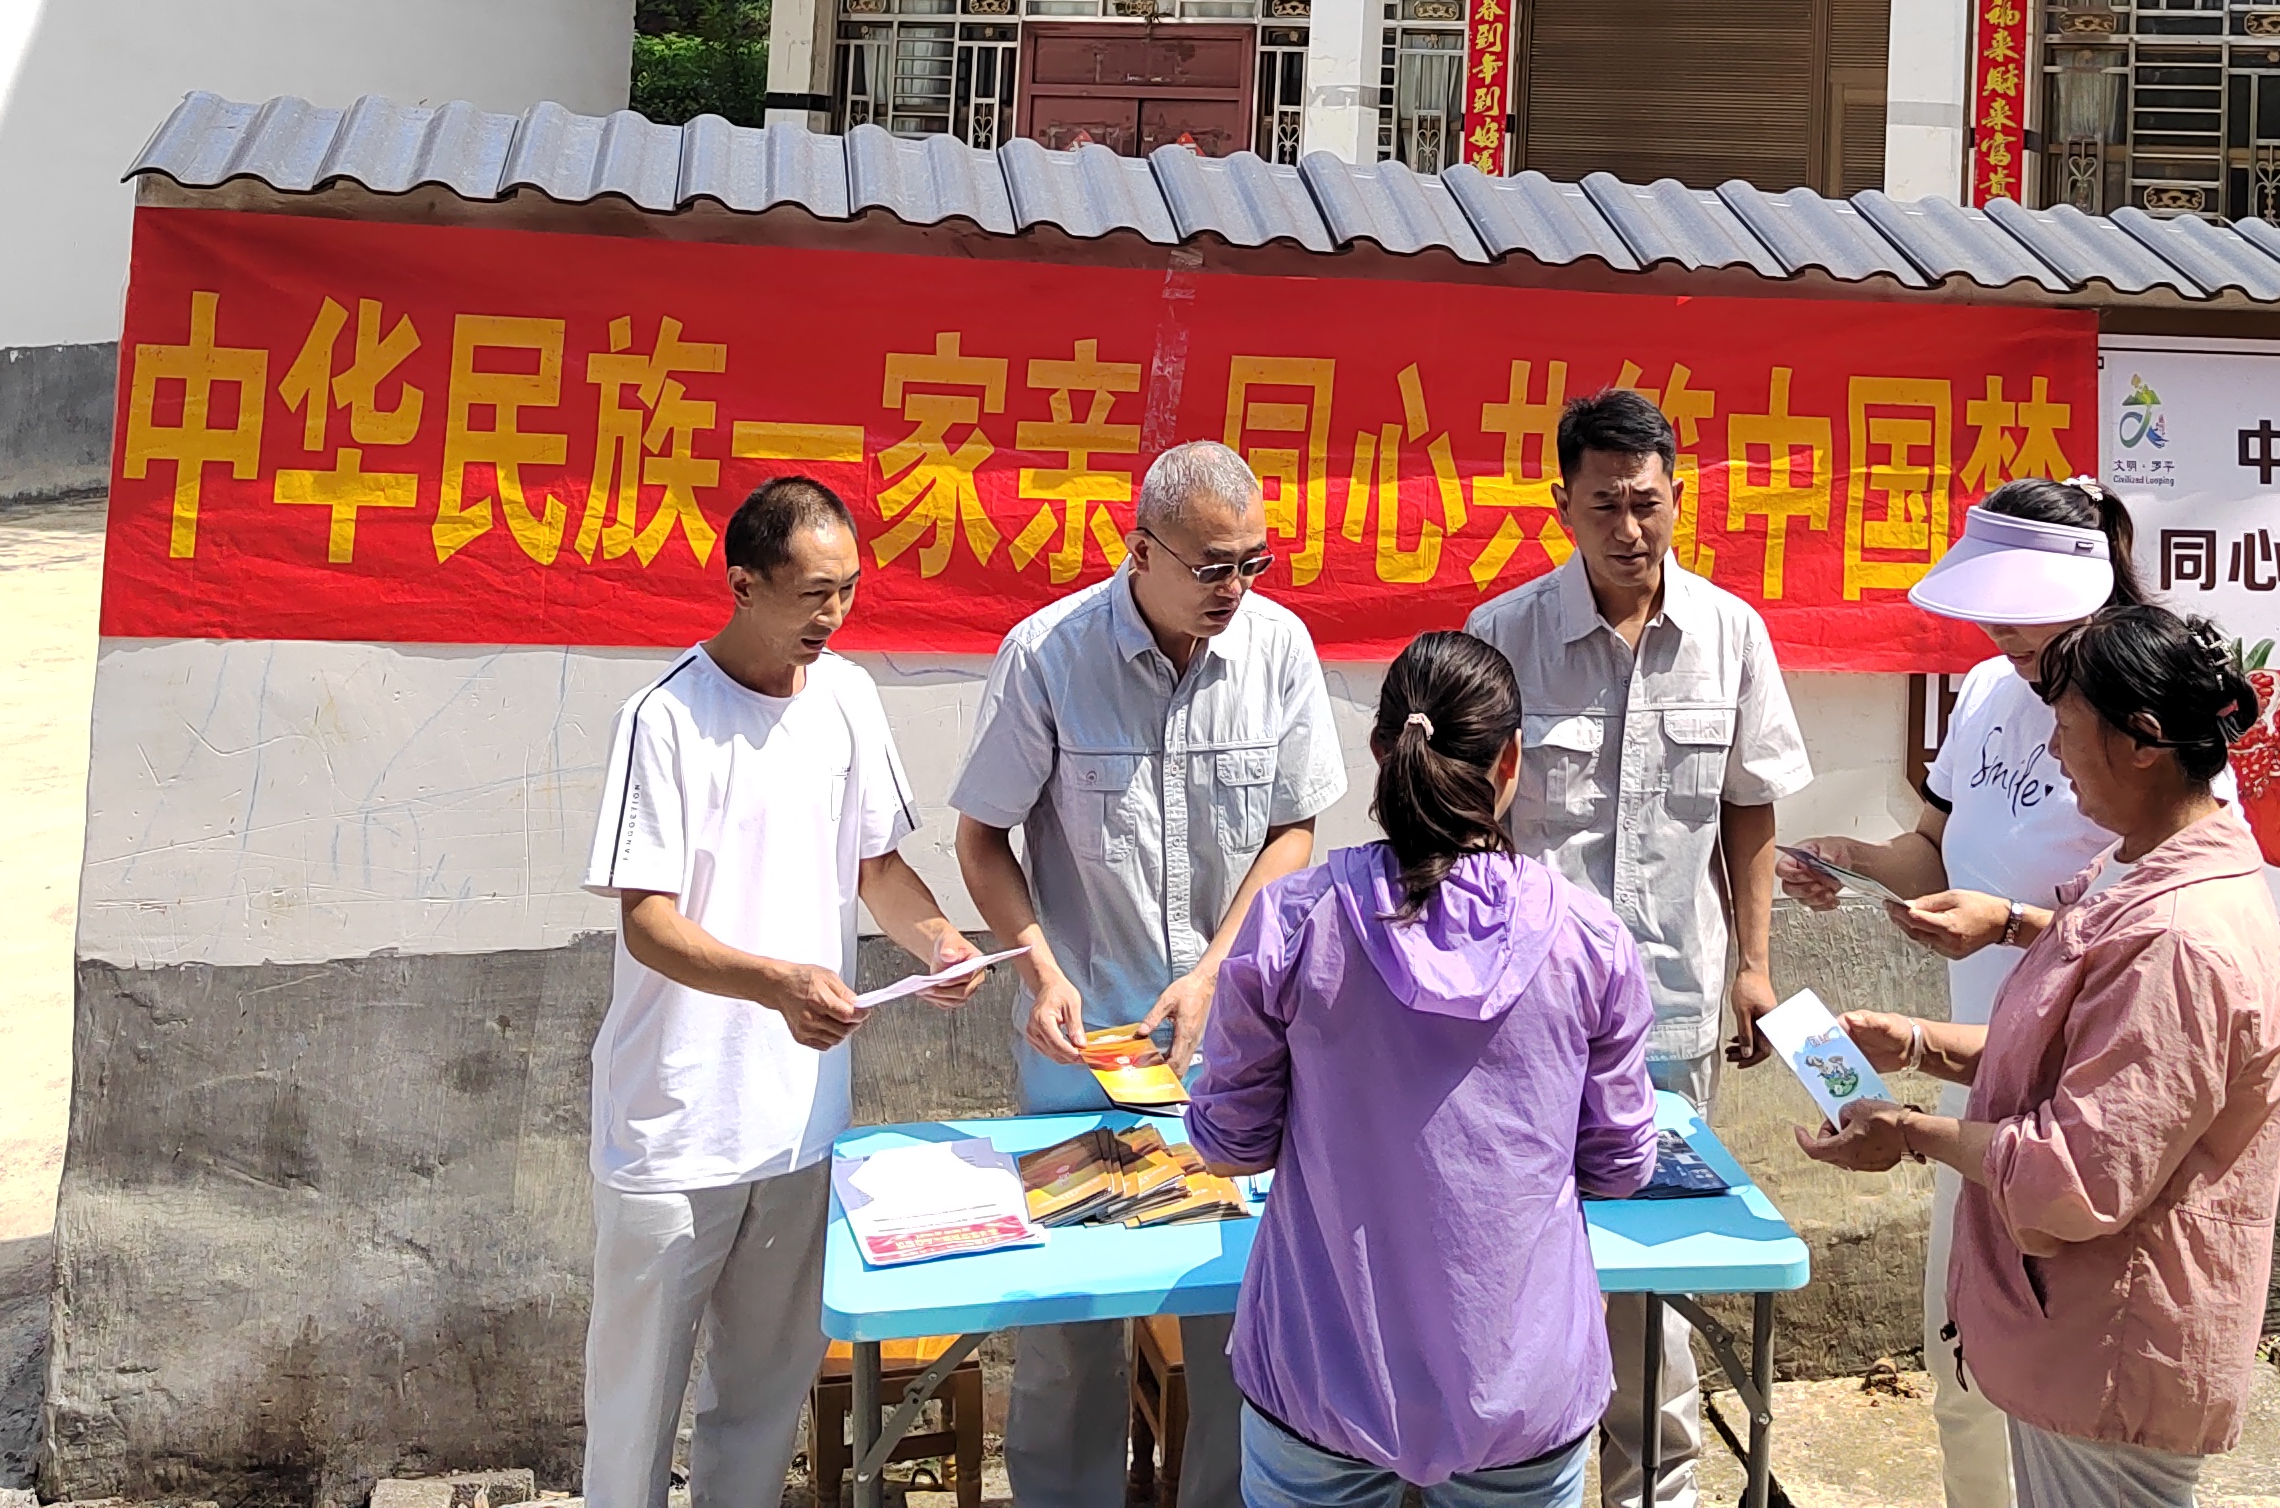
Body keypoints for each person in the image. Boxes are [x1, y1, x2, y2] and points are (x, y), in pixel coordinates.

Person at [1794, 603, 2280, 1508]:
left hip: (2114, 1342)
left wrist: (1907, 1133)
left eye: (2065, 729)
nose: (2055, 755)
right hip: (2082, 1329)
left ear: (2140, 741)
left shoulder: (2176, 939)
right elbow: (2081, 1061)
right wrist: (1920, 1045)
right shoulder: (2144, 870)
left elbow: (2072, 1177)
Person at [579, 475, 991, 1508]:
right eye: (812, 593)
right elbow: (647, 921)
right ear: (743, 585)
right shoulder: (665, 719)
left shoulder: (847, 699)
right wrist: (775, 984)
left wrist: (937, 942)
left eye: (847, 590)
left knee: (761, 1402)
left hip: (802, 1124)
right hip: (675, 1128)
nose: (833, 614)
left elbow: (877, 867)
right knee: (633, 1412)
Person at [953, 439, 1348, 1508]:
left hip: (1233, 1048)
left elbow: (1293, 828)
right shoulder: (1048, 655)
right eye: (1212, 566)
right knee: (1070, 1320)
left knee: (1232, 1303)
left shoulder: (1278, 649)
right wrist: (1039, 970)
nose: (1235, 589)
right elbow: (982, 837)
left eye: (1253, 563)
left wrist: (1217, 971)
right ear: (1141, 551)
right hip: (1081, 1051)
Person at [1186, 631, 1661, 1508]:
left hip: (1321, 1370)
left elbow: (1230, 1143)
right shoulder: (1590, 940)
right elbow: (1622, 1162)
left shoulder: (1293, 922)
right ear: (1511, 761)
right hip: (1522, 1381)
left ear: (1381, 751)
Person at [1468, 387, 1810, 1508]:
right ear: (1560, 503)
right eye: (1605, 504)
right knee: (1522, 1254)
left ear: (1678, 496)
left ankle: (1656, 1487)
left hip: (1669, 1012)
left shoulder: (1731, 633)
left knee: (1656, 1269)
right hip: (1526, 1021)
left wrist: (1753, 967)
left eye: (1648, 502)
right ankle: (1531, 1476)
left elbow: (1749, 808)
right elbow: (1471, 821)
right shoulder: (1504, 635)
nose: (1629, 528)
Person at [1783, 478, 2147, 1508]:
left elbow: (2162, 928)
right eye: (1991, 613)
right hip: (1976, 1079)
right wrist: (1855, 861)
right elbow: (1934, 849)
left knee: (2063, 1385)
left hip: (2084, 1096)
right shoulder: (1988, 690)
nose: (2002, 635)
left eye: (2022, 613)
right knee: (1962, 1368)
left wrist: (2011, 921)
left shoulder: (2148, 719)